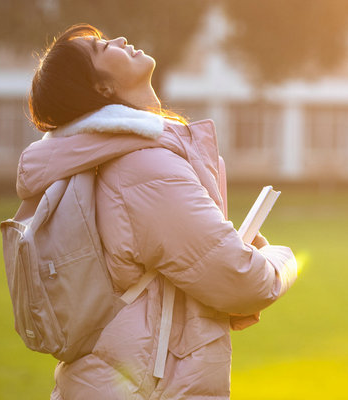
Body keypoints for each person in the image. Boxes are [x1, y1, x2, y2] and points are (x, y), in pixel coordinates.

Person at [17, 23, 298, 400]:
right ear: (102, 88)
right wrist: (279, 258)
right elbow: (243, 280)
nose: (117, 39)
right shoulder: (143, 168)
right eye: (102, 48)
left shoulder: (113, 159)